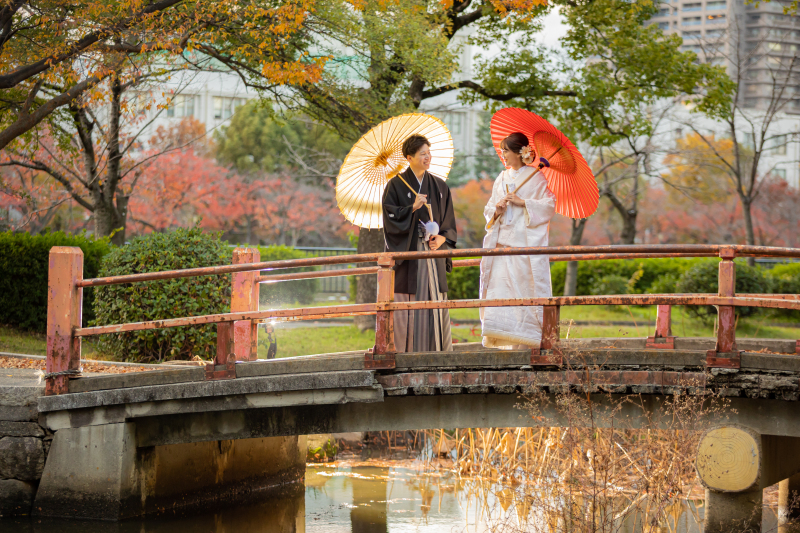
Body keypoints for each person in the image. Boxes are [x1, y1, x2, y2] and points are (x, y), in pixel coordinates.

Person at [480, 132, 556, 349]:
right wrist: (497, 210)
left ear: (520, 152)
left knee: (523, 294)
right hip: (503, 246)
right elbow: (489, 210)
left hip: (523, 248)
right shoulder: (501, 179)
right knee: (501, 293)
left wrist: (524, 202)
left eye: (506, 151)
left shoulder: (536, 177)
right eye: (503, 151)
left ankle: (526, 343)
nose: (503, 155)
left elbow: (549, 205)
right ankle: (501, 339)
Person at [382, 134, 458, 352]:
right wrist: (411, 208)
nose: (428, 157)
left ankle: (438, 351)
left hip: (434, 252)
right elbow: (390, 219)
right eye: (423, 154)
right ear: (409, 157)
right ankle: (407, 352)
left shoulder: (440, 186)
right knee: (409, 298)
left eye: (429, 153)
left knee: (434, 296)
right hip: (410, 251)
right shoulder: (395, 186)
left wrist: (442, 237)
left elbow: (449, 222)